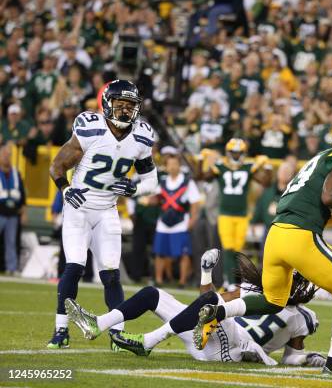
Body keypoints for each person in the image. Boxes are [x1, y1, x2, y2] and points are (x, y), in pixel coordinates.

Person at [195, 114, 332, 377]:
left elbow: (322, 207)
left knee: (273, 300)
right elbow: (331, 196)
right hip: (299, 236)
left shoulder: (321, 158)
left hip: (277, 233)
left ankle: (217, 312)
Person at [66, 249, 326, 367]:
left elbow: (290, 357)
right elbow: (206, 301)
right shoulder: (253, 291)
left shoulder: (303, 317)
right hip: (201, 334)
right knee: (151, 294)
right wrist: (205, 273)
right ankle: (98, 324)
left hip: (229, 350)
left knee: (213, 306)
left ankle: (148, 341)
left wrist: (308, 358)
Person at [47, 80, 158, 349]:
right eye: (119, 105)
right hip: (79, 208)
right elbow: (57, 166)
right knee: (74, 267)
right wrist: (65, 190)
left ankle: (117, 335)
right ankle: (60, 332)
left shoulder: (142, 135)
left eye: (130, 106)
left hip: (108, 209)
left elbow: (152, 182)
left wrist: (135, 189)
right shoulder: (90, 127)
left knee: (111, 274)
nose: (124, 111)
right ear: (107, 104)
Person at [201, 138, 271, 289]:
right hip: (225, 213)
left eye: (239, 153)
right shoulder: (221, 166)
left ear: (244, 153)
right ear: (228, 152)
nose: (236, 155)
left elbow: (265, 182)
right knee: (227, 248)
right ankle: (230, 281)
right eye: (233, 152)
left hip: (242, 214)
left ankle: (233, 281)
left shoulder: (248, 167)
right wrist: (203, 161)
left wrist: (268, 167)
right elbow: (204, 176)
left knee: (237, 250)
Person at [152, 150, 201, 287]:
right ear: (166, 167)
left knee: (183, 254)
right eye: (170, 164)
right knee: (159, 252)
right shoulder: (161, 182)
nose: (172, 167)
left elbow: (195, 203)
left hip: (181, 222)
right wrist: (148, 200)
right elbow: (156, 199)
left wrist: (192, 219)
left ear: (179, 166)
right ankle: (159, 279)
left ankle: (182, 281)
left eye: (175, 164)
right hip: (163, 221)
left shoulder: (187, 182)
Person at [0, 144, 26, 275]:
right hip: (0, 211)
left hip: (13, 213)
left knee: (11, 242)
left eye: (8, 155)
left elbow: (22, 193)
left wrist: (23, 211)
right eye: (4, 154)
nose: (6, 157)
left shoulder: (16, 172)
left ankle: (12, 267)